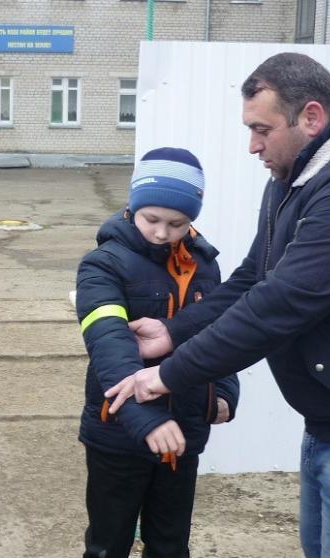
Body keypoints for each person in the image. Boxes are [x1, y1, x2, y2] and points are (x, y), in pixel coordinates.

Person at [105, 52, 330, 558]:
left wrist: (166, 375)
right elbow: (255, 278)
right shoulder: (294, 179)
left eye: (262, 129)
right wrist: (174, 332)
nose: (252, 145)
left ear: (312, 117)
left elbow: (280, 306)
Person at [76, 147, 239, 558]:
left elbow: (219, 331)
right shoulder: (103, 264)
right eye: (152, 219)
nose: (163, 233)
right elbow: (109, 343)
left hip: (183, 430)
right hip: (118, 432)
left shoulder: (204, 264)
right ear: (133, 208)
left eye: (177, 223)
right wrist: (144, 417)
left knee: (170, 545)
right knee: (107, 544)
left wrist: (223, 392)